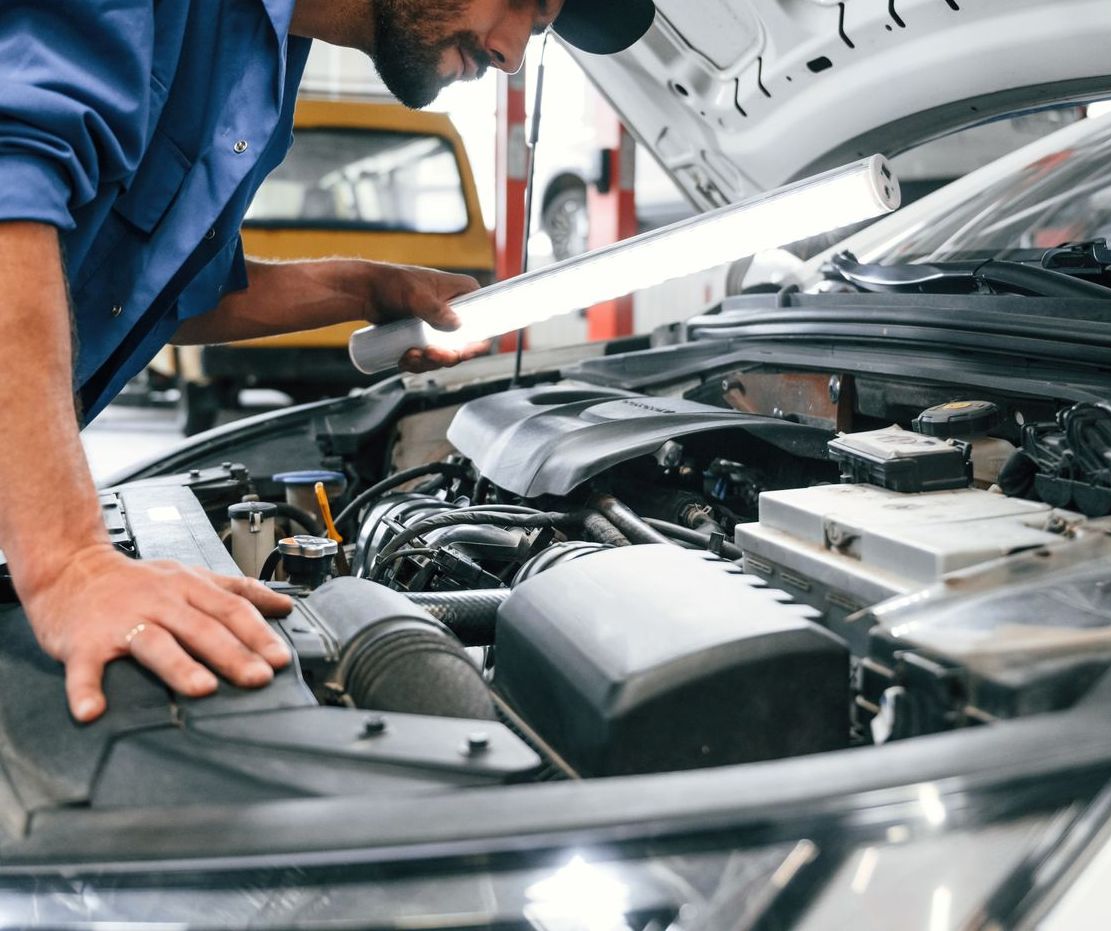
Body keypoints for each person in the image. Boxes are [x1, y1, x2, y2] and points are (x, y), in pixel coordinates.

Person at [0, 0, 655, 723]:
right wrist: (66, 562)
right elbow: (11, 189)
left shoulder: (266, 67)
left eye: (536, 32)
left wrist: (360, 287)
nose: (510, 54)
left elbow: (151, 286)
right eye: (522, 5)